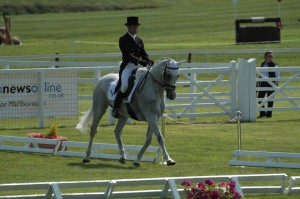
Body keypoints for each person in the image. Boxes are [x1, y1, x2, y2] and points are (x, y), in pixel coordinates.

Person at [112, 16, 153, 118]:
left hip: (139, 66)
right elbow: (127, 55)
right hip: (128, 66)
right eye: (134, 26)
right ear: (129, 27)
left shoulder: (139, 40)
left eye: (137, 26)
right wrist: (140, 61)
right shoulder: (123, 39)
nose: (136, 28)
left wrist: (148, 59)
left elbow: (143, 52)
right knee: (125, 86)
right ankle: (115, 109)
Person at [257, 51, 280, 118]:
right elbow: (259, 74)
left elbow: (277, 76)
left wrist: (275, 84)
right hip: (263, 84)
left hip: (271, 84)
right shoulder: (262, 64)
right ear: (265, 57)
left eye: (271, 56)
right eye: (269, 56)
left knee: (270, 100)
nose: (270, 57)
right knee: (259, 98)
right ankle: (263, 113)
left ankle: (269, 114)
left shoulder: (275, 65)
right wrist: (258, 82)